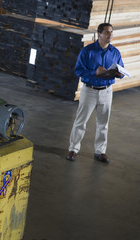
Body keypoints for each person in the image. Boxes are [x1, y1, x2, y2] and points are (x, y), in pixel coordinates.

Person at [66, 23, 124, 164]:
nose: (110, 35)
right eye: (107, 32)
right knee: (81, 121)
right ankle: (73, 149)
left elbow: (122, 71)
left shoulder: (115, 52)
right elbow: (78, 70)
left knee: (103, 123)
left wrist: (119, 74)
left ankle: (100, 151)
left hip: (106, 91)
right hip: (89, 91)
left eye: (111, 32)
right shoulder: (87, 51)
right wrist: (94, 72)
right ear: (99, 34)